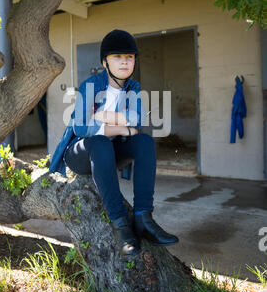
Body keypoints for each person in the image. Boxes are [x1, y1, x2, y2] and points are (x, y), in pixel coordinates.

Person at [49, 29, 179, 257]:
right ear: (105, 62)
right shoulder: (91, 86)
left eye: (129, 57)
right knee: (99, 142)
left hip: (109, 149)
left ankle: (143, 219)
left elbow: (138, 122)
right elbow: (80, 128)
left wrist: (102, 117)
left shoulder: (133, 88)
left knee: (145, 142)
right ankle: (121, 225)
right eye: (117, 57)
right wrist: (122, 125)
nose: (125, 62)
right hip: (81, 152)